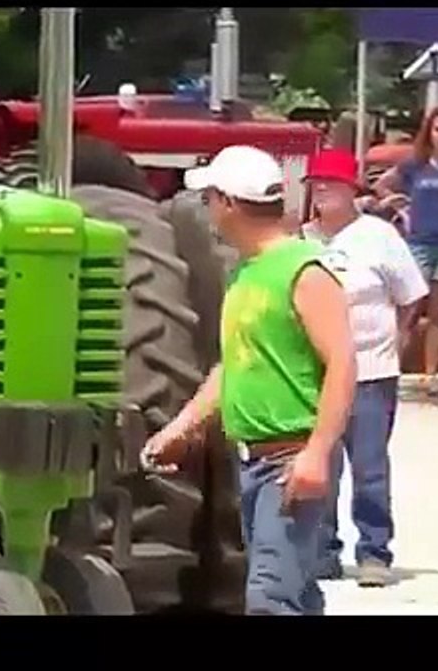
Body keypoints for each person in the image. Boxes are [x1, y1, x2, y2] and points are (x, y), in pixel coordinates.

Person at [142, 145, 357, 615]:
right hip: (256, 464)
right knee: (295, 594)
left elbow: (343, 364)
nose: (209, 211)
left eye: (211, 199)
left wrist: (316, 454)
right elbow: (232, 366)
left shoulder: (305, 271)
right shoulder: (248, 274)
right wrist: (182, 428)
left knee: (268, 599)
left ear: (230, 204)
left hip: (290, 459)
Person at [301, 149, 429, 587]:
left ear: (351, 191)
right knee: (323, 463)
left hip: (372, 370)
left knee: (369, 466)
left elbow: (412, 294)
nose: (320, 192)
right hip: (317, 373)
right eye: (315, 185)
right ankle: (322, 550)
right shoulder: (303, 240)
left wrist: (402, 336)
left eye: (329, 185)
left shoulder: (378, 236)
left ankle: (374, 552)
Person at [372, 105, 438, 396]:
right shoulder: (415, 164)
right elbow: (381, 184)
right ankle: (391, 371)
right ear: (429, 132)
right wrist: (400, 205)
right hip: (418, 242)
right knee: (409, 309)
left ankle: (430, 375)